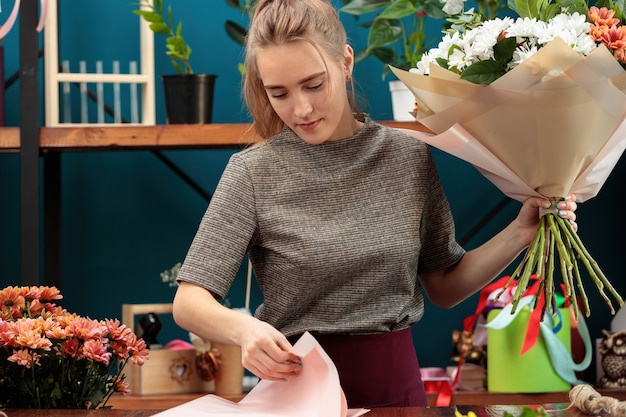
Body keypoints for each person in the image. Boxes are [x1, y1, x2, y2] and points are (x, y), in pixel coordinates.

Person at [172, 0, 578, 408]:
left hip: (397, 394)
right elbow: (189, 302)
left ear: (345, 62)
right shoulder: (252, 173)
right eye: (279, 93)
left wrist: (523, 232)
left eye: (314, 84)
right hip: (298, 398)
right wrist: (244, 330)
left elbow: (444, 285)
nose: (302, 109)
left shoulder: (408, 157)